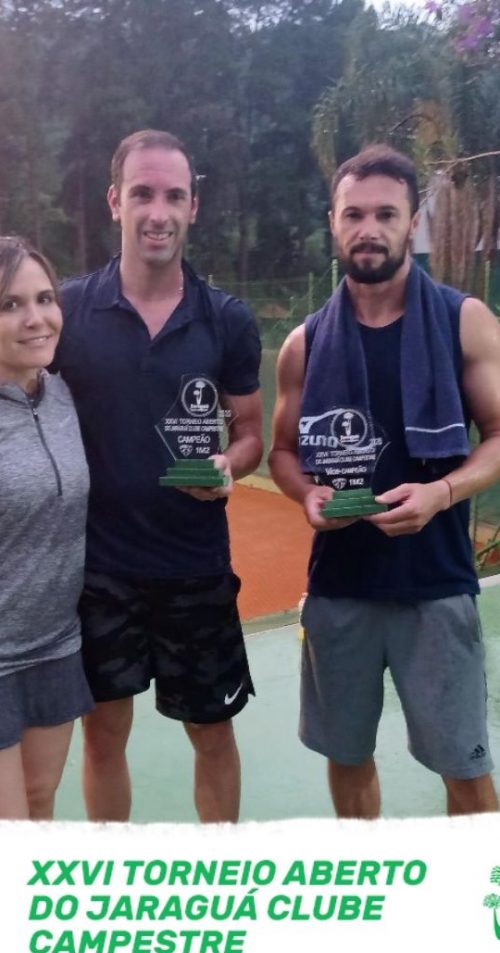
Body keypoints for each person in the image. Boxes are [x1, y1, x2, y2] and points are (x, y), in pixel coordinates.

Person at [269, 144, 500, 818]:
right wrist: (306, 494)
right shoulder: (305, 344)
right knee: (347, 759)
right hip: (340, 587)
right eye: (354, 214)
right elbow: (282, 452)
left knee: (464, 769)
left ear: (412, 222)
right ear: (333, 223)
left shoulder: (463, 321)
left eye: (385, 214)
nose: (368, 228)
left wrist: (443, 493)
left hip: (436, 585)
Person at [54, 129, 262, 823]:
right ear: (115, 201)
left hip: (195, 567)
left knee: (213, 733)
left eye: (174, 196)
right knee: (104, 735)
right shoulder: (69, 312)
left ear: (193, 207)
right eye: (143, 194)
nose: (158, 212)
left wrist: (229, 465)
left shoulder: (226, 320)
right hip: (98, 569)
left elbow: (251, 433)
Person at [0, 236, 93, 820]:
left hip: (56, 641)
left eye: (44, 298)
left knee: (40, 802)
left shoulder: (61, 396)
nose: (35, 318)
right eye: (10, 304)